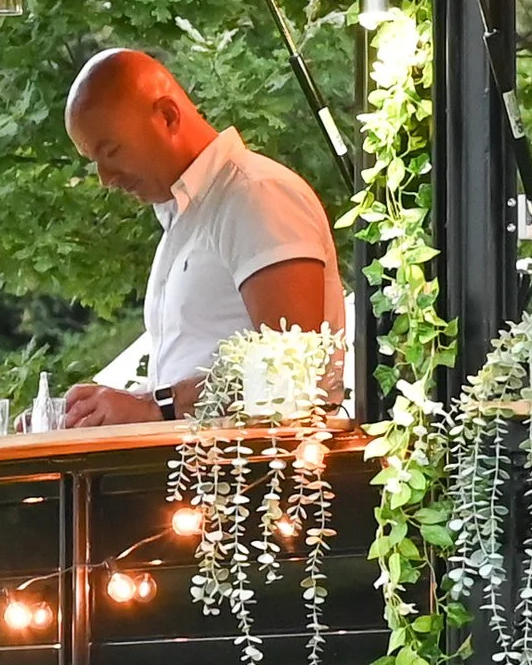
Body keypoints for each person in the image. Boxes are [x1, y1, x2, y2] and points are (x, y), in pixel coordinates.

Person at [58, 49, 345, 427]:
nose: (105, 178)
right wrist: (112, 406)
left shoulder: (257, 194)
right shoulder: (191, 213)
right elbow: (195, 361)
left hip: (261, 475)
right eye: (94, 161)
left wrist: (153, 407)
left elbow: (290, 369)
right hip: (205, 473)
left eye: (111, 151)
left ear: (167, 116)